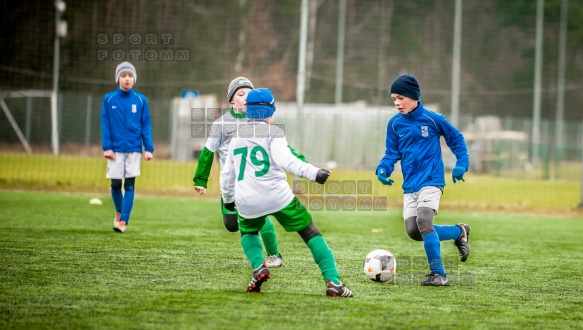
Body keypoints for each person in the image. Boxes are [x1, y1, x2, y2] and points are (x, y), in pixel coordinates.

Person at [221, 88, 353, 297]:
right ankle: (333, 282)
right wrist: (314, 173)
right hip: (277, 196)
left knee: (247, 232)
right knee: (310, 232)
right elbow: (286, 160)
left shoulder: (236, 137)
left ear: (248, 112)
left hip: (247, 199)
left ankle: (259, 267)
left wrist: (228, 201)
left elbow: (227, 174)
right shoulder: (274, 132)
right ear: (271, 112)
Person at [192, 77, 305, 268]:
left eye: (248, 94)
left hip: (253, 181)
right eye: (240, 94)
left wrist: (301, 162)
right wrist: (201, 180)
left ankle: (273, 255)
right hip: (230, 185)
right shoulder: (220, 125)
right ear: (231, 100)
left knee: (259, 216)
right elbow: (208, 152)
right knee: (231, 225)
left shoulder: (259, 121)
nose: (245, 98)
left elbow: (281, 146)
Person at [376, 73, 471, 286]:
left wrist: (462, 163)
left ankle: (439, 274)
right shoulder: (394, 124)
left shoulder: (433, 119)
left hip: (431, 180)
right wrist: (384, 168)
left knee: (424, 220)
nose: (397, 103)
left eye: (401, 97)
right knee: (414, 231)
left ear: (413, 96)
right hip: (410, 185)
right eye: (393, 99)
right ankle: (459, 231)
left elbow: (456, 139)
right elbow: (392, 153)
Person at [101, 61, 154, 233]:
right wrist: (107, 147)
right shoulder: (108, 99)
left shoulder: (140, 100)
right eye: (123, 76)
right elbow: (105, 124)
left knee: (129, 185)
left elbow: (146, 125)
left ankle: (123, 221)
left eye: (130, 76)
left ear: (134, 79)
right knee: (116, 185)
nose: (127, 79)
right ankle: (119, 212)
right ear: (118, 79)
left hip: (134, 150)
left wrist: (149, 148)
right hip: (114, 150)